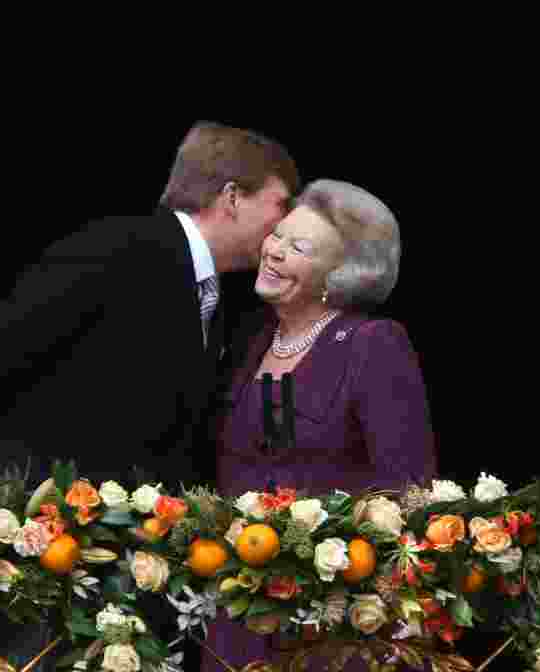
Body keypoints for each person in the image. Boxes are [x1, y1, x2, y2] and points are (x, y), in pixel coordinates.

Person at [0, 120, 299, 668]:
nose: (282, 225)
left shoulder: (214, 295)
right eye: (279, 205)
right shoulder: (117, 247)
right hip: (44, 556)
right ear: (232, 198)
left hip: (119, 565)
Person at [202, 179, 438, 672]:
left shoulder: (371, 343)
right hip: (240, 611)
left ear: (339, 275)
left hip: (335, 619)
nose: (275, 252)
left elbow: (409, 486)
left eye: (299, 248)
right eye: (279, 235)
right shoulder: (248, 342)